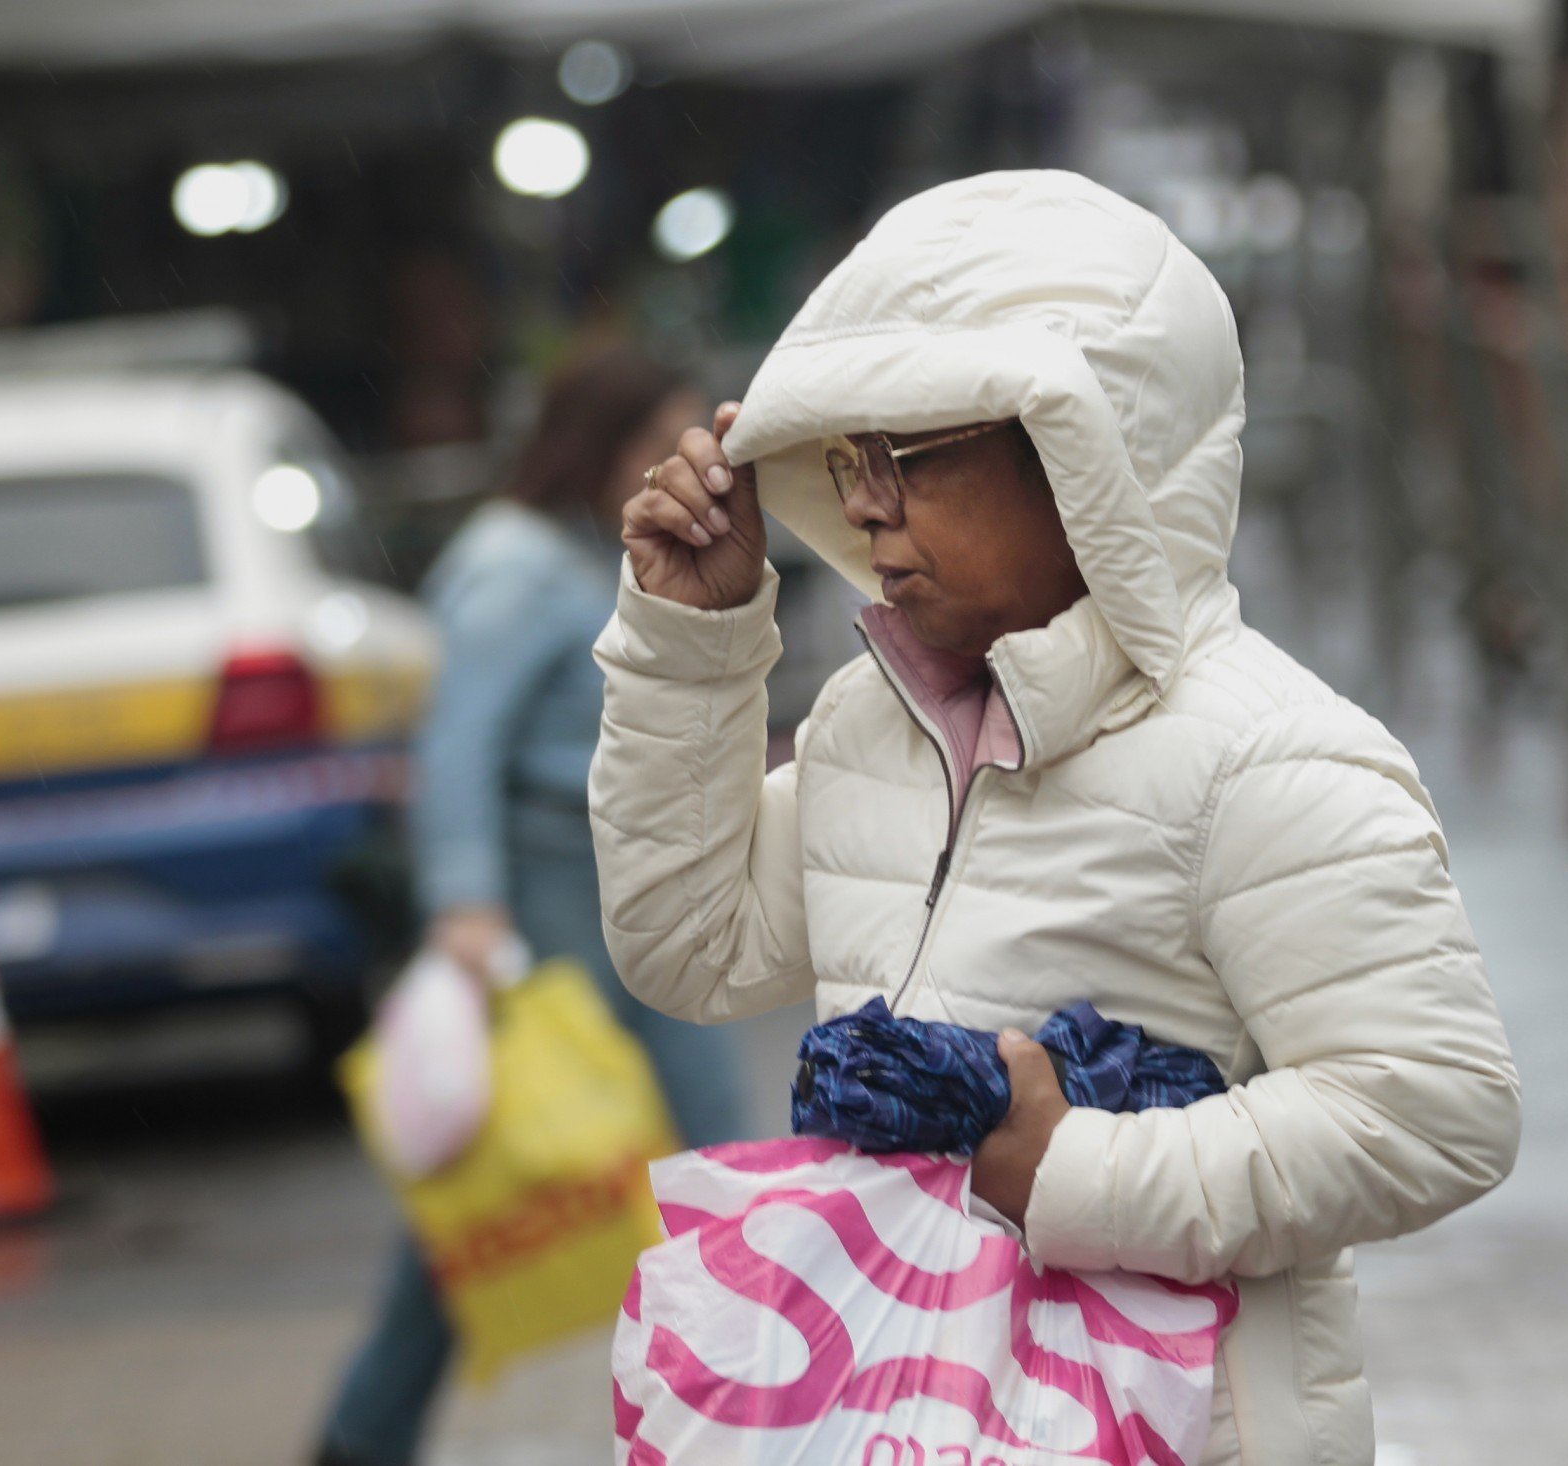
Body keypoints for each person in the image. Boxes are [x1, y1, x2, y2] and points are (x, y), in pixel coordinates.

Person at [589, 171, 1521, 1465]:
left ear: (1088, 453)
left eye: (906, 457)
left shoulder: (1269, 754)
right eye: (845, 461)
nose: (862, 505)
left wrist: (1072, 1172)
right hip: (897, 1409)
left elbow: (1433, 1110)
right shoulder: (878, 722)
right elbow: (689, 949)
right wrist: (693, 638)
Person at [316, 345, 748, 1466]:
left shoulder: (580, 554)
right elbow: (457, 743)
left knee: (695, 1158)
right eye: (661, 441)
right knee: (517, 1172)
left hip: (624, 889)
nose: (687, 467)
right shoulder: (514, 567)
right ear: (597, 444)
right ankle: (366, 1429)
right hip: (544, 901)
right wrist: (465, 906)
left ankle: (759, 1413)